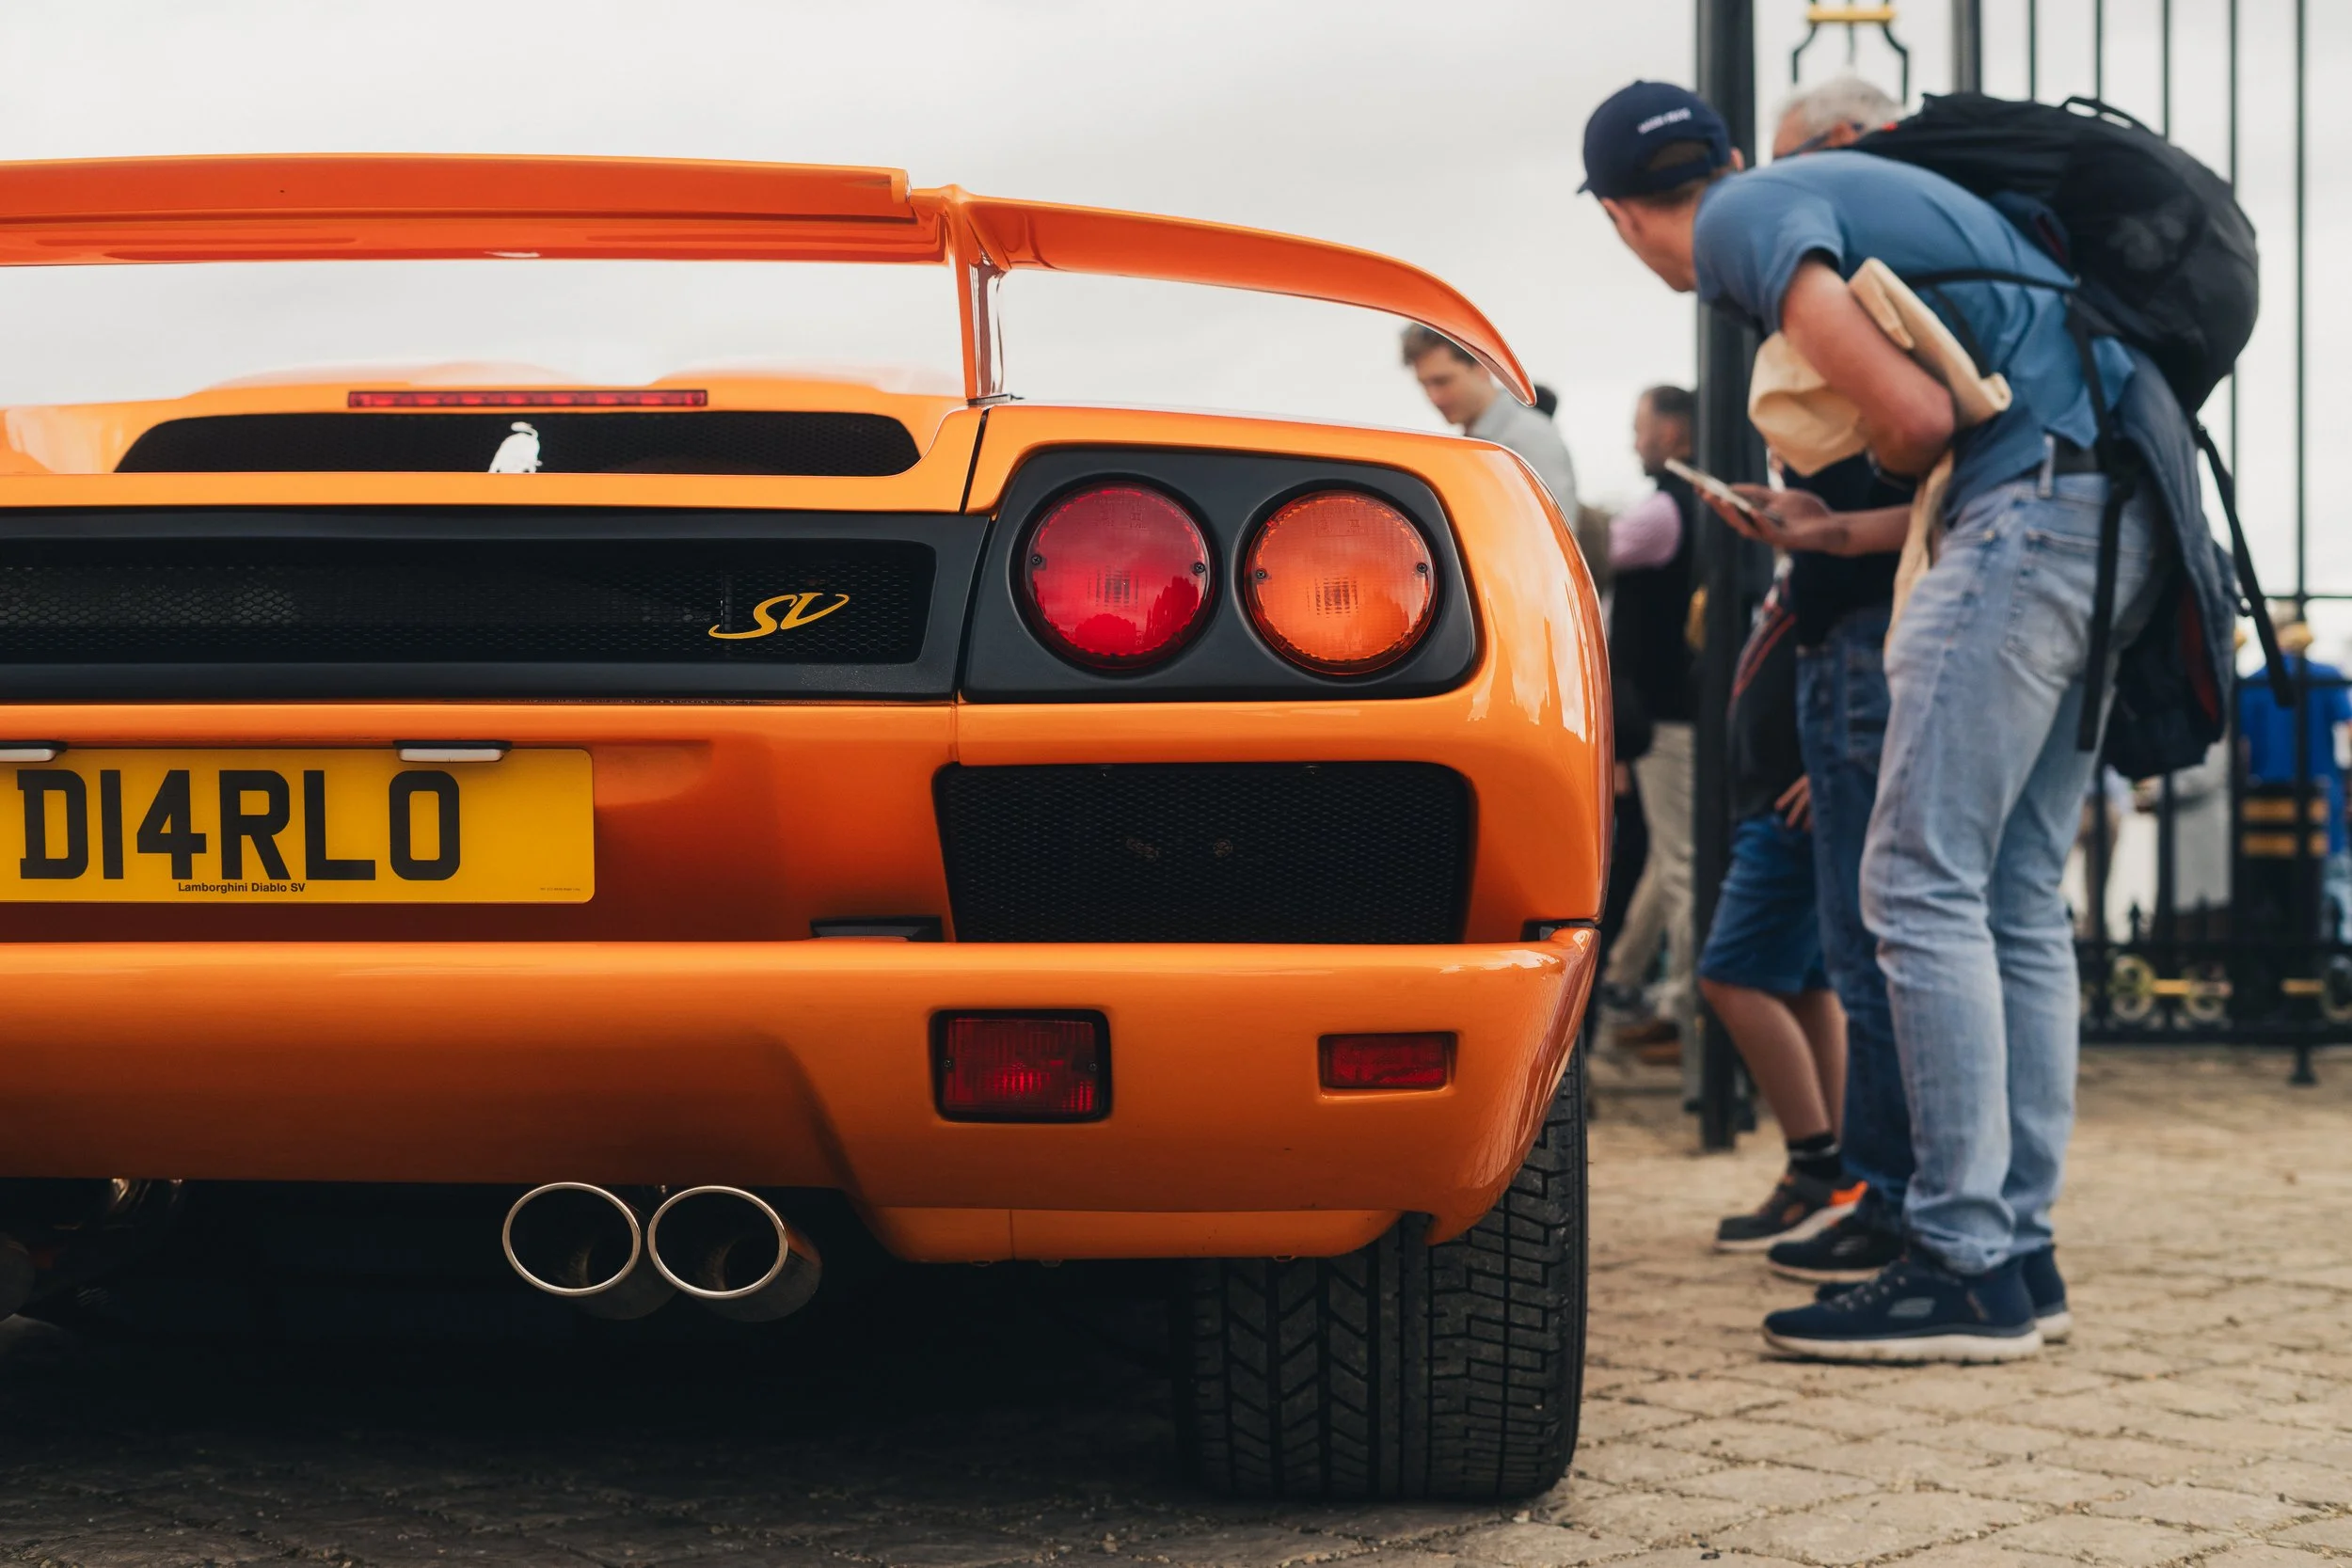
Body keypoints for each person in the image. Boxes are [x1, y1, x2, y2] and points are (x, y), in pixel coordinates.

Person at [1584, 77, 2208, 1361]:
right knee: (2018, 894)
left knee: (1918, 880)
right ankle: (2017, 1253)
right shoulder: (1875, 197)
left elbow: (1924, 420)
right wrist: (1834, 528)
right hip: (2111, 507)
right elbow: (1984, 416)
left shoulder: (1741, 219)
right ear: (1728, 149)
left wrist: (1854, 431)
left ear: (1617, 213)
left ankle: (1962, 1257)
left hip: (2023, 521)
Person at [1747, 77, 1916, 1291]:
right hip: (1847, 645)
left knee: (1881, 948)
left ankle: (1888, 1196)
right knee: (1884, 946)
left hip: (1864, 649)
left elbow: (1917, 472)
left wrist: (1831, 536)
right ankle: (1896, 1194)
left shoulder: (1871, 291)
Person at [1698, 566, 1862, 1249]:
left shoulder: (1848, 543)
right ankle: (1839, 1174)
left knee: (1730, 974)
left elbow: (1872, 656)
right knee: (1807, 982)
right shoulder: (1803, 556)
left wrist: (1835, 762)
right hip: (1775, 798)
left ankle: (1816, 1166)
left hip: (1788, 808)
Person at [1595, 387, 1700, 1075]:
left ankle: (1679, 1008)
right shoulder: (1694, 505)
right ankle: (1629, 980)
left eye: (1640, 427)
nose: (1635, 441)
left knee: (1682, 864)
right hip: (1679, 709)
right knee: (1671, 858)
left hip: (1662, 717)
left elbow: (1591, 552)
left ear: (1671, 428)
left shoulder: (1663, 510)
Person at [1401, 325, 1604, 583]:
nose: (1434, 397)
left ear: (1482, 368)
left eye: (1442, 381)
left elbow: (1551, 550)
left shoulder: (1527, 437)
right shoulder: (1479, 442)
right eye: (1425, 385)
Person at [2237, 615, 2352, 936]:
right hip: (2320, 798)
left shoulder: (2254, 681)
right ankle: (2329, 964)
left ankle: (2280, 968)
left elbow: (2241, 747)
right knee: (2328, 886)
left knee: (2273, 891)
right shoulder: (2325, 676)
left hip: (2266, 804)